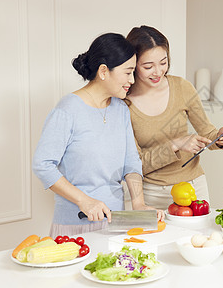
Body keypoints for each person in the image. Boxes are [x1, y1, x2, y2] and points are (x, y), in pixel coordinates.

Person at [32, 33, 164, 237]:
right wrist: (84, 201)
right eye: (128, 72)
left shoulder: (121, 110)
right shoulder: (67, 110)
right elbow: (43, 164)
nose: (132, 80)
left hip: (115, 224)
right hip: (74, 226)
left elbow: (131, 162)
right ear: (104, 71)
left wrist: (139, 203)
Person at [125, 26, 223, 210]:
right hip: (151, 194)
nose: (158, 72)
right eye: (148, 66)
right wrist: (175, 144)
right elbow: (136, 164)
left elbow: (207, 132)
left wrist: (221, 137)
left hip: (193, 188)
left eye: (163, 62)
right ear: (133, 64)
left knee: (200, 239)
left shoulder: (182, 87)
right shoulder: (124, 103)